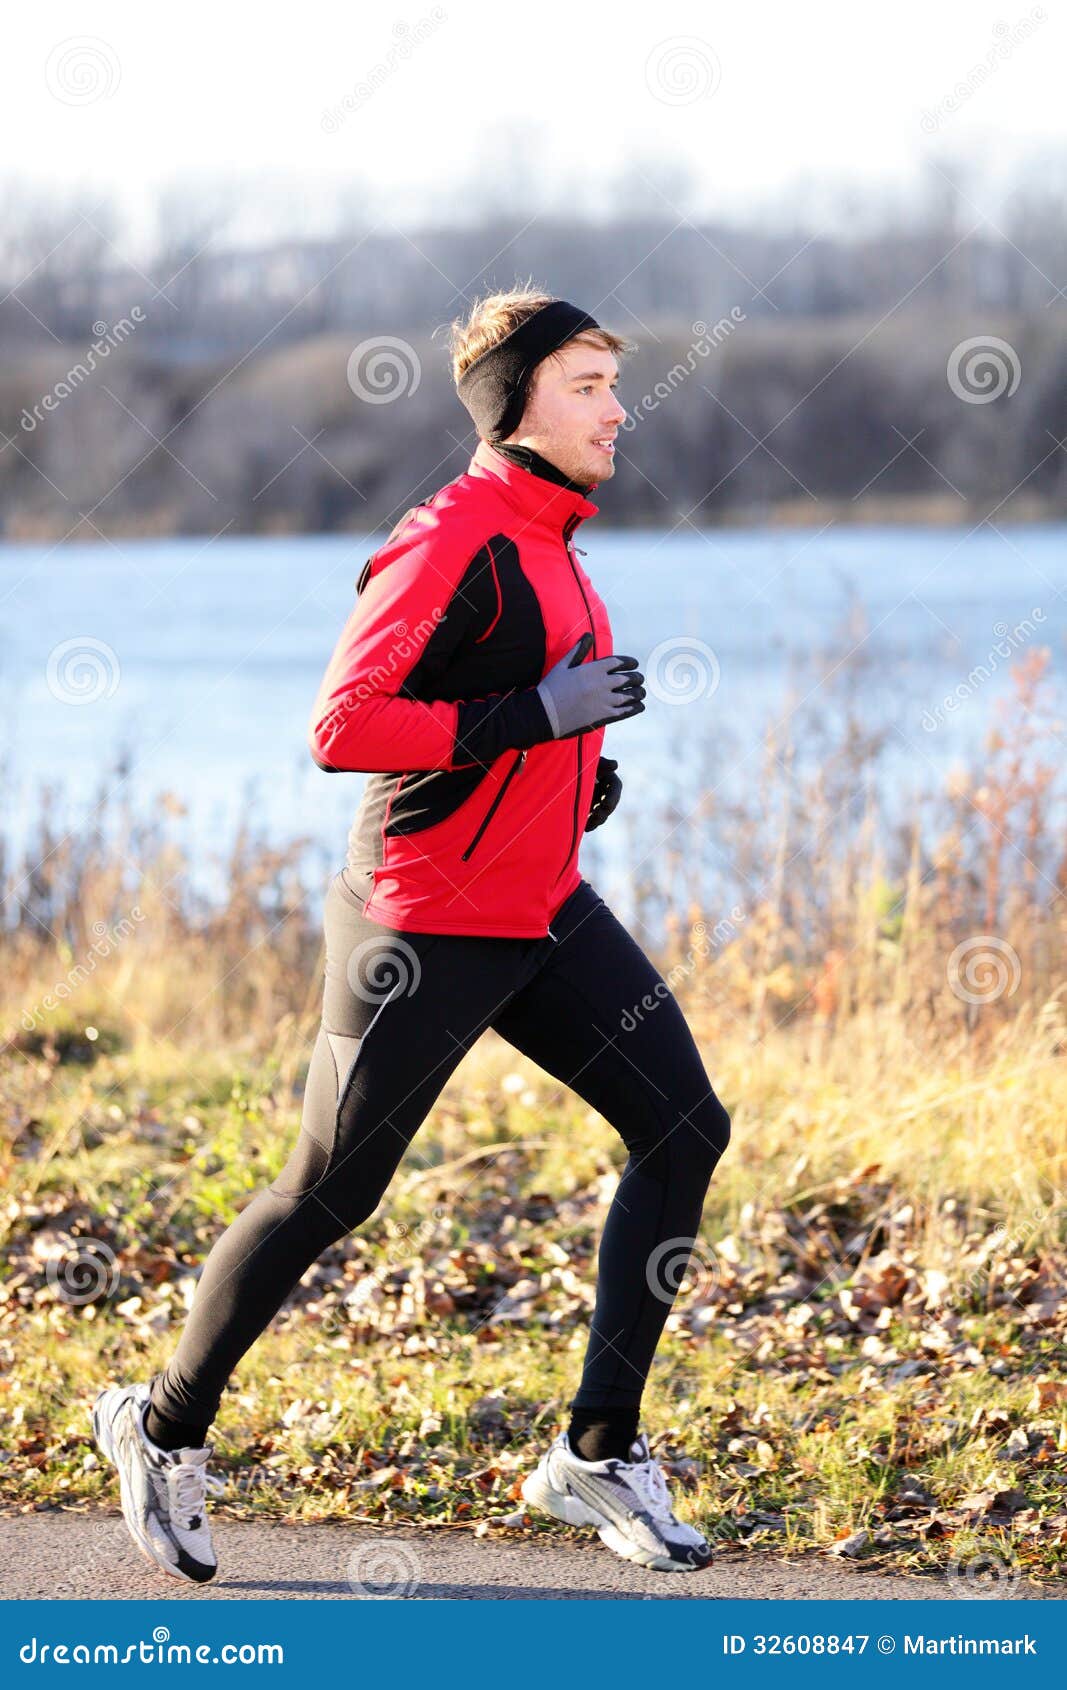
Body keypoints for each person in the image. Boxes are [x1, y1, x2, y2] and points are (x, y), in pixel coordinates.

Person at [93, 288, 732, 1582]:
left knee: (683, 1127)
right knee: (331, 1187)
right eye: (589, 384)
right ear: (517, 403)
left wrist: (575, 774)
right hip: (421, 918)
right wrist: (529, 720)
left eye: (617, 383)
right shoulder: (450, 537)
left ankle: (599, 1449)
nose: (618, 409)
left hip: (539, 905)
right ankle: (158, 1427)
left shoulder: (558, 543)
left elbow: (518, 715)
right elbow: (346, 726)